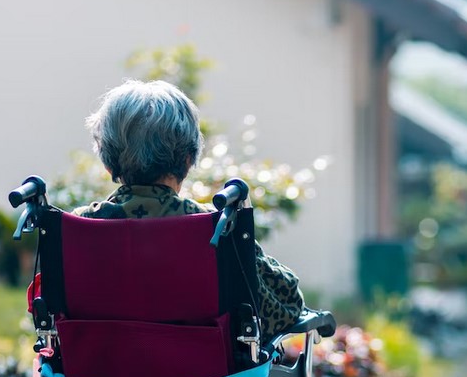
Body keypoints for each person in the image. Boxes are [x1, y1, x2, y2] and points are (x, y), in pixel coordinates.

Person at [74, 79, 305, 341]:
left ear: (108, 163)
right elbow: (286, 305)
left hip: (98, 376)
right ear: (187, 159)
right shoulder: (216, 227)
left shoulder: (77, 229)